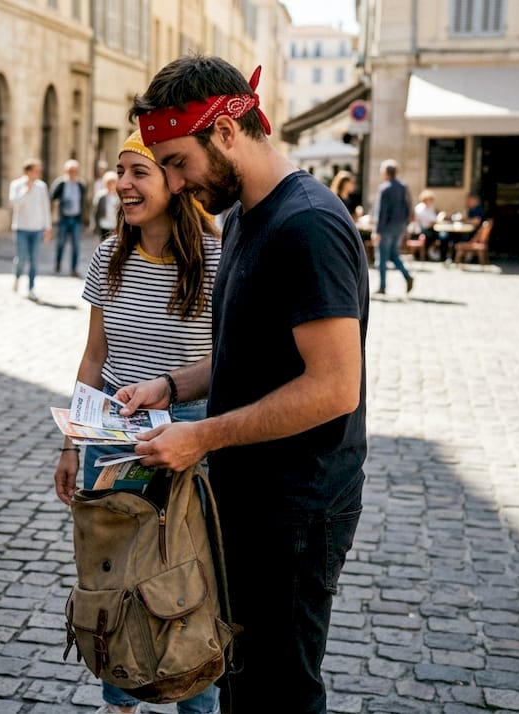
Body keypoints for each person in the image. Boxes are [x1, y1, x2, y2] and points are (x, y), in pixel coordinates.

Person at [119, 54, 369, 714]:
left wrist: (202, 434)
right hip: (248, 500)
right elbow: (249, 354)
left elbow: (334, 387)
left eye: (177, 161)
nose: (171, 182)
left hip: (296, 508)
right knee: (242, 680)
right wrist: (171, 387)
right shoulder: (242, 215)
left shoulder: (306, 225)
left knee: (279, 692)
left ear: (227, 132)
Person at [53, 131, 223, 714]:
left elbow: (225, 356)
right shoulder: (108, 255)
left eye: (139, 172)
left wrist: (175, 400)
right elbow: (95, 354)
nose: (123, 184)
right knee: (114, 574)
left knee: (188, 576)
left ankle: (195, 699)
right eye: (120, 172)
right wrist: (71, 443)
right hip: (113, 434)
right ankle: (117, 698)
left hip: (191, 436)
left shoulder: (216, 257)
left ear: (175, 184)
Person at [10, 159, 52, 301]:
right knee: (21, 258)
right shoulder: (16, 185)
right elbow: (15, 204)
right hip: (21, 228)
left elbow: (45, 208)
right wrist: (26, 190)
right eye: (36, 170)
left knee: (34, 260)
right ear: (28, 171)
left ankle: (31, 288)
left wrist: (48, 228)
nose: (38, 173)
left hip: (37, 229)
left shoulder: (42, 187)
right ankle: (17, 277)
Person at [372, 159, 413, 295]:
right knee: (394, 254)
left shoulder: (385, 188)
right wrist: (406, 225)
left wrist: (377, 231)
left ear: (385, 172)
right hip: (400, 226)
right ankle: (407, 276)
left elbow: (381, 212)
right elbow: (408, 206)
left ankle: (382, 286)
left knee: (382, 257)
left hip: (387, 227)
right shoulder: (403, 186)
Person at [50, 160, 89, 276]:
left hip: (76, 218)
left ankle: (73, 268)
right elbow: (52, 197)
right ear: (66, 171)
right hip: (64, 218)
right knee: (61, 243)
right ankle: (58, 263)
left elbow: (84, 202)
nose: (73, 173)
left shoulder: (81, 185)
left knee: (76, 245)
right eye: (70, 171)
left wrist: (85, 219)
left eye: (75, 171)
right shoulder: (61, 183)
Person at [92, 171, 120, 239]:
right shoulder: (100, 195)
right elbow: (95, 211)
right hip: (104, 224)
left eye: (113, 182)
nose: (111, 184)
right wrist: (93, 225)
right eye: (109, 182)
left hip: (115, 225)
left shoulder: (119, 196)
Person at [413, 189, 439, 260]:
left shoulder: (430, 208)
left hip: (429, 228)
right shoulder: (420, 208)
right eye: (429, 199)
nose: (430, 201)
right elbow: (430, 221)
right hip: (421, 230)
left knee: (443, 235)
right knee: (439, 236)